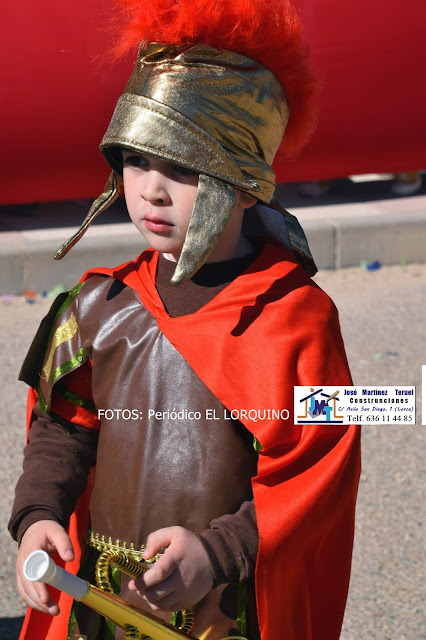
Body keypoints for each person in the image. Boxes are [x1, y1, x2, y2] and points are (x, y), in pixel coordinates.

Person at [8, 1, 361, 639]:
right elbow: (63, 429)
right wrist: (40, 514)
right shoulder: (97, 308)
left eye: (183, 168)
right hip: (101, 605)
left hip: (225, 613)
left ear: (245, 183)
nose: (151, 189)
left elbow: (318, 465)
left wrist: (219, 552)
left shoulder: (297, 320)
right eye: (137, 160)